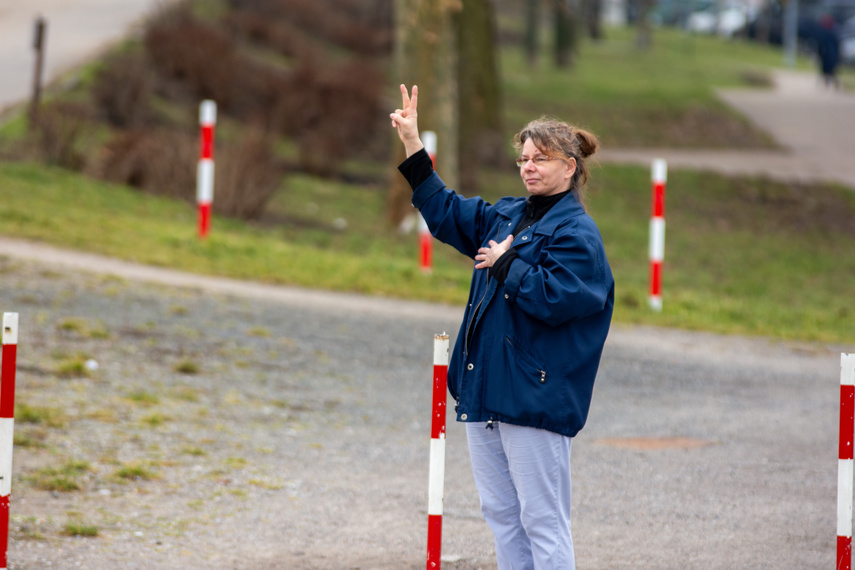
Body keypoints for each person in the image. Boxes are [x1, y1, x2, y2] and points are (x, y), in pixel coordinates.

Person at [390, 84, 614, 570]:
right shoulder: (508, 214)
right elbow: (446, 210)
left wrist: (507, 263)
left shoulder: (578, 236)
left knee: (543, 520)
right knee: (501, 515)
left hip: (535, 399)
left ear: (569, 167)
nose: (529, 166)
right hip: (486, 392)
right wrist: (412, 142)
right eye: (524, 158)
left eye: (542, 158)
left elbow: (559, 300)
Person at [816, 14, 841, 89]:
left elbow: (821, 45)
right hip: (828, 55)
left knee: (830, 71)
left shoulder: (828, 33)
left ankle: (830, 84)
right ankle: (828, 84)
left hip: (828, 55)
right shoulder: (832, 33)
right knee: (829, 71)